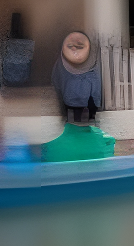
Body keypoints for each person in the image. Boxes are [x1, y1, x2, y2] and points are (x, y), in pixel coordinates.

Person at [45, 28, 114, 162]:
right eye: (71, 46)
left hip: (86, 109)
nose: (75, 49)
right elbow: (58, 85)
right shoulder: (107, 144)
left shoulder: (96, 65)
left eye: (79, 46)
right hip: (73, 109)